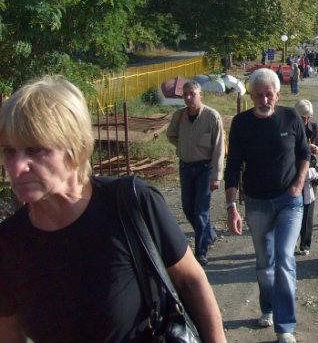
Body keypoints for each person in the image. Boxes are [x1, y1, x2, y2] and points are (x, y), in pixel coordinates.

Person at [0, 76, 226, 343]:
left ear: (75, 149)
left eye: (35, 150)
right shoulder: (9, 241)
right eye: (8, 151)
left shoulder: (131, 203)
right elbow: (8, 332)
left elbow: (191, 282)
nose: (15, 168)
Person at [225, 68, 309, 343]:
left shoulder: (291, 117)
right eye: (258, 95)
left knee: (284, 257)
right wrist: (231, 206)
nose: (264, 100)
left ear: (277, 94)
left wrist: (298, 183)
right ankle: (268, 307)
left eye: (269, 95)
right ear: (250, 96)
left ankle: (285, 327)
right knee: (264, 263)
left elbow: (304, 154)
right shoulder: (241, 123)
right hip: (257, 202)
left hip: (289, 201)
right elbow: (233, 165)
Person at [166, 80, 225, 266]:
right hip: (186, 167)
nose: (188, 98)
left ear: (200, 94)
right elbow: (171, 135)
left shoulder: (211, 116)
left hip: (205, 169)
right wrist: (184, 147)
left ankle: (201, 251)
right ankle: (209, 234)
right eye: (185, 95)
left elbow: (218, 148)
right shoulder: (179, 116)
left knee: (200, 210)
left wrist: (217, 176)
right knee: (187, 207)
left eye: (192, 94)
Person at [294, 100, 318, 256]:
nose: (306, 121)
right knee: (292, 207)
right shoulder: (290, 127)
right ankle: (290, 241)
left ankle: (305, 244)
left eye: (308, 117)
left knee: (308, 209)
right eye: (303, 117)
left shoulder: (314, 128)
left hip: (309, 173)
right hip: (292, 171)